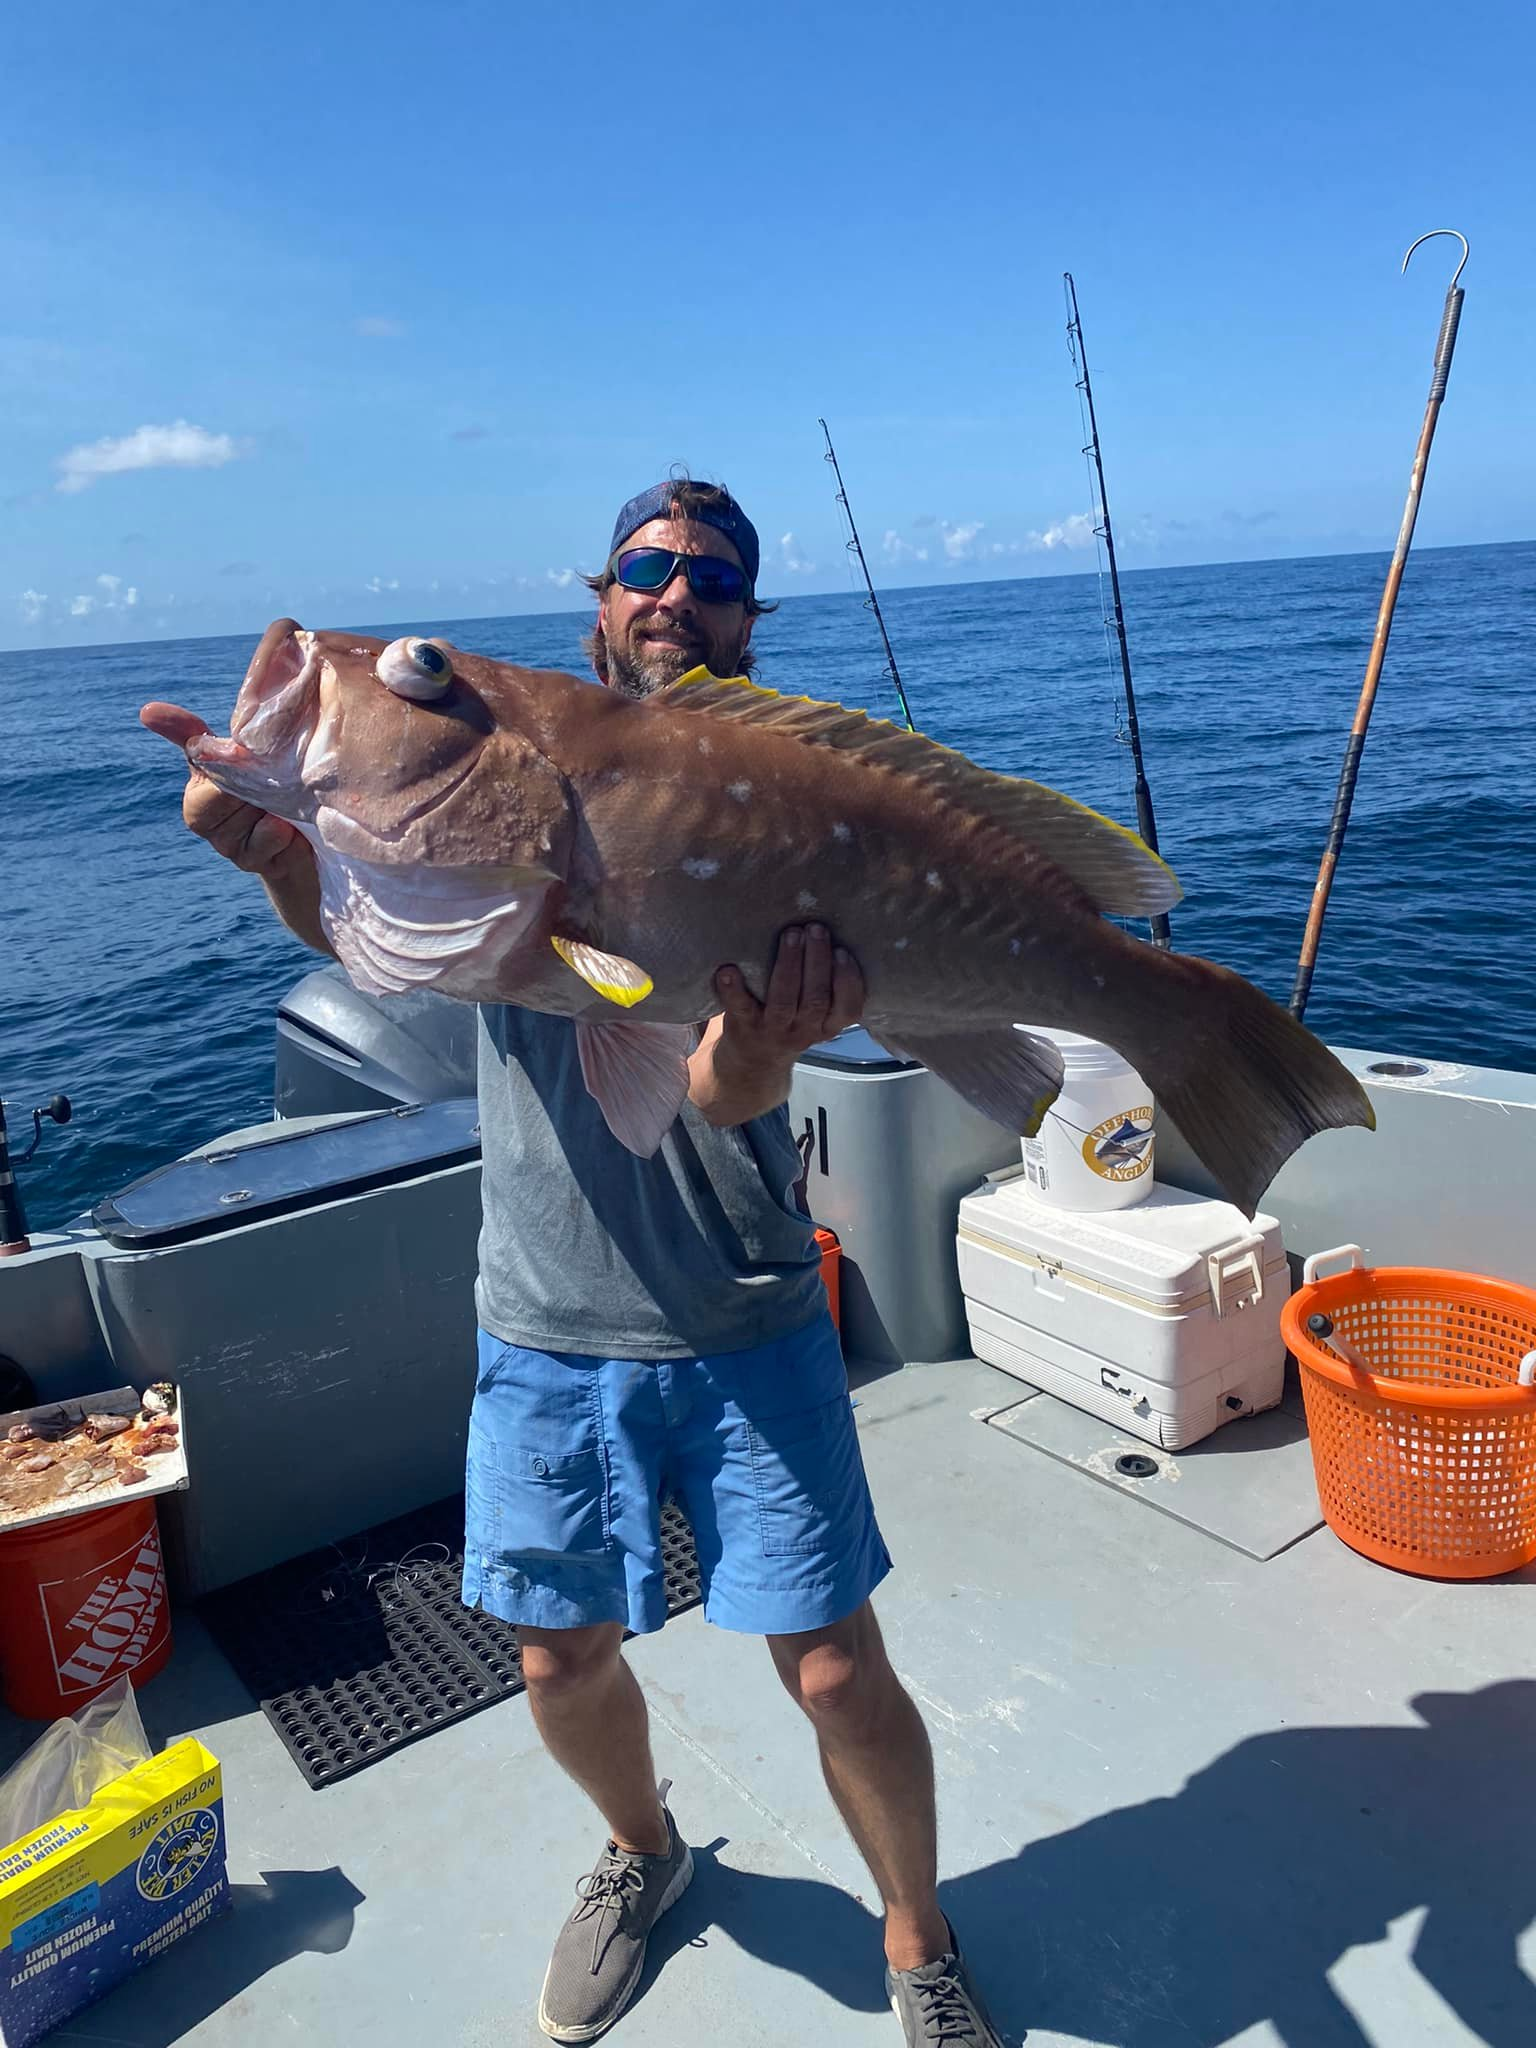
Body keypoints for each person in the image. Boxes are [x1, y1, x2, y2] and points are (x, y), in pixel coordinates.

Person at [163, 477, 1003, 2048]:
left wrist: (755, 1051)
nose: (674, 593)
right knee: (556, 1660)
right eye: (645, 568)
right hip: (545, 1320)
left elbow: (715, 1091)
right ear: (600, 604)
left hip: (747, 1307)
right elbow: (365, 915)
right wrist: (274, 842)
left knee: (830, 1673)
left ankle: (918, 1932)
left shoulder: (770, 794)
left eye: (714, 578)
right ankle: (643, 1851)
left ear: (749, 624)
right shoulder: (516, 775)